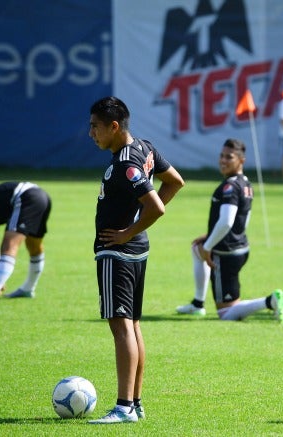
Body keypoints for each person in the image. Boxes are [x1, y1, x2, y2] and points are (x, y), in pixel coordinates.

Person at [88, 96, 185, 424]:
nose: (91, 134)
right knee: (132, 326)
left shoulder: (125, 164)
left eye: (95, 127)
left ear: (114, 127)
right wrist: (135, 228)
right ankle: (135, 404)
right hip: (134, 250)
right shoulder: (144, 147)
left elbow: (157, 205)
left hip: (119, 252)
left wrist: (128, 231)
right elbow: (175, 182)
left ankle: (124, 406)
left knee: (121, 327)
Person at [175, 138, 283, 323]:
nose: (223, 160)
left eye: (229, 157)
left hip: (225, 253)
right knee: (196, 248)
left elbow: (227, 221)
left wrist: (209, 246)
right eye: (221, 156)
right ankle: (197, 304)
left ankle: (270, 301)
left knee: (226, 313)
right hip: (239, 246)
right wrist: (207, 238)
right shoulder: (245, 183)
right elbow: (243, 219)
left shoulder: (230, 187)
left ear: (241, 160)